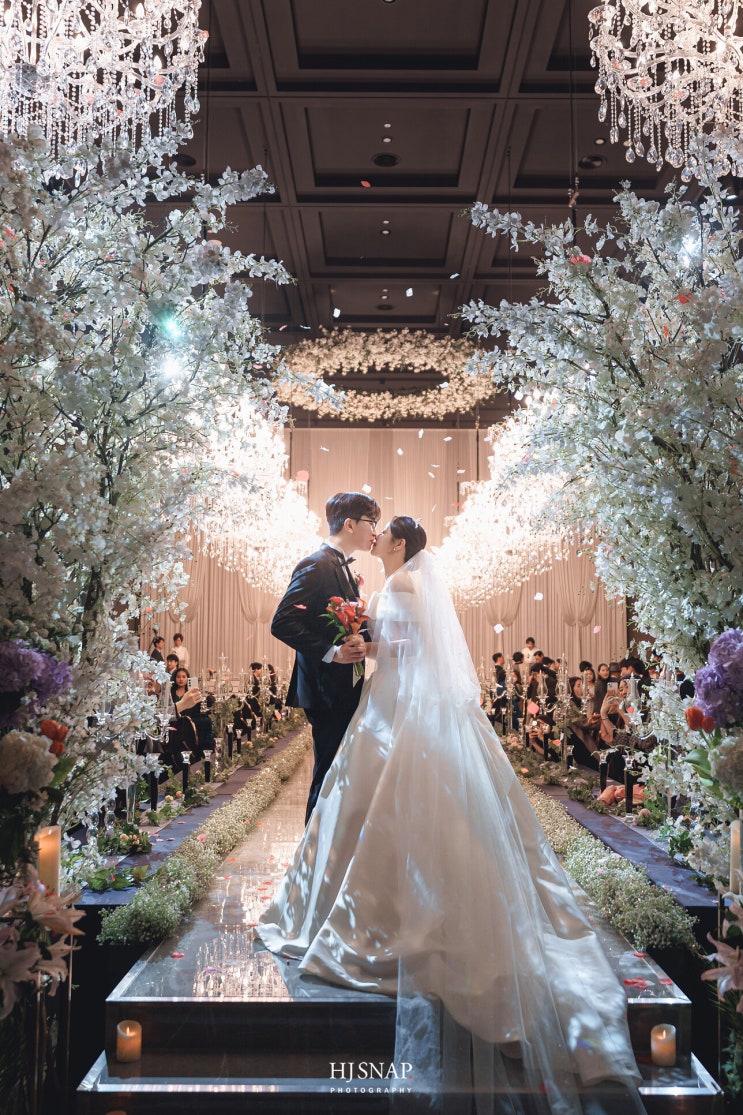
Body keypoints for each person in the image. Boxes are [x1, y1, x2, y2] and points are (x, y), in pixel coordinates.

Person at [259, 516, 641, 1112]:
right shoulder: (398, 582)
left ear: (400, 544)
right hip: (386, 700)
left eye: (385, 533)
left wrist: (368, 646)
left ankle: (385, 913)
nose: (376, 538)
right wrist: (361, 643)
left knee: (378, 803)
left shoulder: (404, 585)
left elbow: (416, 648)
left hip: (397, 705)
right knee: (358, 800)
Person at [271, 490, 381, 823]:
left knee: (338, 774)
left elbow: (341, 624)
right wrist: (333, 653)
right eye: (371, 522)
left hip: (344, 687)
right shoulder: (316, 564)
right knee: (327, 774)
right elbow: (283, 622)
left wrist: (359, 640)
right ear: (350, 524)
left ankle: (326, 844)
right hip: (326, 690)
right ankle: (313, 847)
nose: (375, 531)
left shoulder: (342, 567)